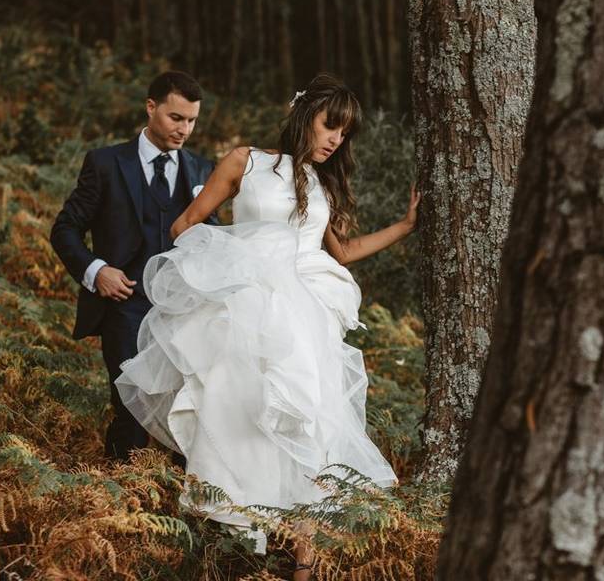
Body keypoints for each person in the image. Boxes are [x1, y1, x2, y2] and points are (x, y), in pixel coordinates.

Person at [114, 74, 418, 580]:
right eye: (328, 127)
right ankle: (224, 536)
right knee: (238, 410)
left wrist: (406, 226)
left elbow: (342, 253)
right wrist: (233, 255)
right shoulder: (245, 162)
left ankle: (303, 558)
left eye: (343, 135)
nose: (333, 141)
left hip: (303, 317)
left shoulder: (325, 184)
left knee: (303, 419)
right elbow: (184, 225)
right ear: (305, 116)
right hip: (244, 308)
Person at [50, 71, 218, 461]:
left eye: (192, 121)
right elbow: (65, 229)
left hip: (182, 309)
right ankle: (118, 501)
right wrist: (96, 270)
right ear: (151, 107)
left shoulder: (202, 169)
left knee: (186, 410)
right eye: (176, 118)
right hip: (125, 305)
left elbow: (211, 239)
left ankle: (177, 507)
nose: (184, 130)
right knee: (130, 407)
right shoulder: (106, 163)